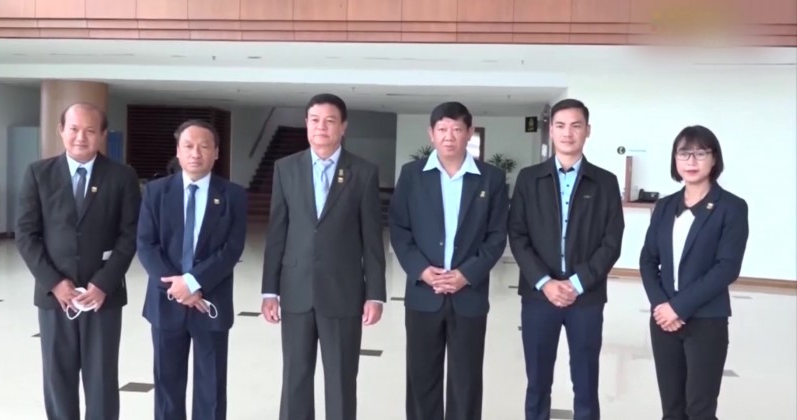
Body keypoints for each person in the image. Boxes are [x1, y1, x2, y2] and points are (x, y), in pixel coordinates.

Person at [260, 93, 387, 420]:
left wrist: (375, 294)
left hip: (343, 293)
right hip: (296, 290)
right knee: (295, 378)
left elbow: (372, 240)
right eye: (315, 120)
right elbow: (277, 232)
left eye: (330, 121)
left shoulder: (363, 172)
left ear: (343, 127)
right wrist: (269, 290)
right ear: (306, 124)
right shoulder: (286, 168)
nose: (321, 127)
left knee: (341, 380)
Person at [15, 102, 141, 420]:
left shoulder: (122, 176)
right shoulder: (38, 174)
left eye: (89, 130)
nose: (80, 137)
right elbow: (26, 235)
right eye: (73, 129)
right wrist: (55, 283)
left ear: (102, 134)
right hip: (55, 297)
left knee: (102, 379)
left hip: (103, 297)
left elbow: (130, 236)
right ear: (61, 130)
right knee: (58, 378)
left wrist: (103, 284)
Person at [389, 101, 508, 420]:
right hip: (423, 293)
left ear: (469, 132)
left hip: (469, 294)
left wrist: (466, 274)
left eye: (457, 129)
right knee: (421, 377)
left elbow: (497, 235)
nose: (449, 136)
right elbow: (399, 229)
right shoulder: (412, 175)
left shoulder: (491, 178)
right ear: (431, 133)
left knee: (466, 379)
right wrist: (421, 270)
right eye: (442, 129)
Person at [508, 98, 624, 420]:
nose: (568, 133)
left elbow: (612, 241)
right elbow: (517, 235)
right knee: (537, 381)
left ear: (588, 130)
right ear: (551, 130)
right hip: (538, 296)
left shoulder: (605, 182)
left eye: (576, 126)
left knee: (586, 382)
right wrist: (545, 282)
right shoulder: (529, 179)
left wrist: (577, 282)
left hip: (585, 297)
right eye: (560, 125)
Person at [137, 119, 247, 420]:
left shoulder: (233, 195)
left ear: (216, 152)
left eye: (204, 146)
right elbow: (146, 245)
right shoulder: (156, 192)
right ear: (178, 150)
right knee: (167, 387)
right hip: (166, 301)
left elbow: (232, 248)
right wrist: (178, 287)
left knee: (211, 387)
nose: (195, 153)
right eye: (188, 146)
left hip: (210, 301)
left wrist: (194, 282)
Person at [639, 125, 748, 420]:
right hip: (663, 322)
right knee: (672, 410)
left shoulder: (732, 207)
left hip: (706, 321)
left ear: (714, 159)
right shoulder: (664, 206)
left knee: (700, 410)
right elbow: (648, 260)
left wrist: (678, 307)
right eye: (684, 153)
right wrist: (661, 306)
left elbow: (727, 267)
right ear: (675, 159)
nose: (691, 161)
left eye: (700, 153)